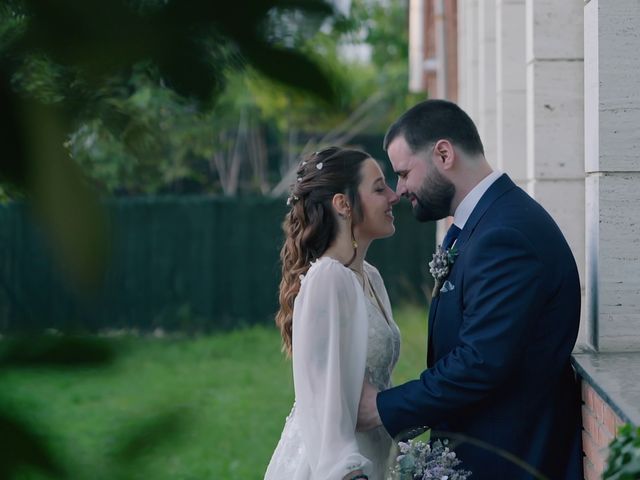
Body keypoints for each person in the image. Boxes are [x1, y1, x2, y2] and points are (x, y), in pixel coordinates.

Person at [357, 100, 583, 480]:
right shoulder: (484, 224)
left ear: (443, 154)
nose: (400, 190)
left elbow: (479, 361)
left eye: (404, 173)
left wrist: (382, 408)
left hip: (513, 458)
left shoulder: (505, 235)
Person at [264, 147, 401, 480]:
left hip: (375, 454)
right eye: (380, 188)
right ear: (343, 204)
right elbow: (324, 403)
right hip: (336, 467)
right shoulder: (328, 278)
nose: (394, 196)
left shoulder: (371, 277)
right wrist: (348, 472)